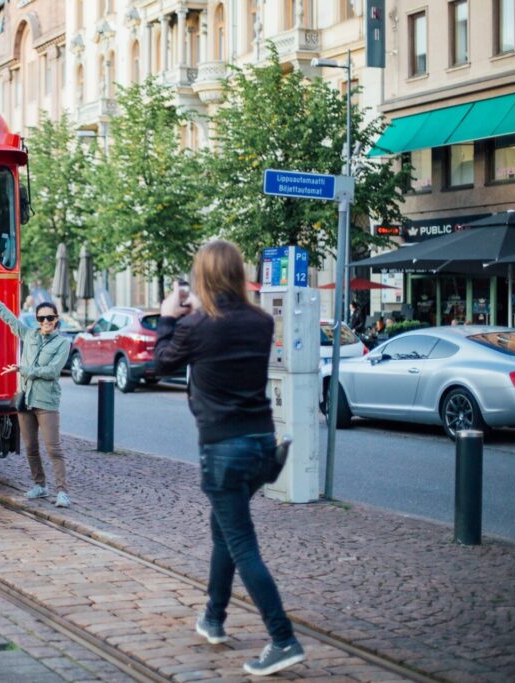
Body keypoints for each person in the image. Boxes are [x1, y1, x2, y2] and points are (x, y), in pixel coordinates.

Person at [154, 240, 305, 677]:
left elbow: (162, 363)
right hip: (262, 442)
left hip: (223, 448)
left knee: (241, 544)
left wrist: (168, 318)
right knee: (224, 529)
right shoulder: (260, 321)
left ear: (202, 277)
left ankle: (283, 638)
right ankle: (213, 618)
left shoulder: (198, 326)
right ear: (238, 274)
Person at [0, 278, 72, 507]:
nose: (46, 321)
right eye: (41, 318)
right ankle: (40, 485)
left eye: (50, 318)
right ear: (37, 320)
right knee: (30, 447)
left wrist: (23, 369)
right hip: (26, 399)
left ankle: (62, 492)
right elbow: (7, 317)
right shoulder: (30, 335)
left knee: (53, 448)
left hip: (46, 402)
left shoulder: (62, 344)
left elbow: (52, 371)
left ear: (56, 320)